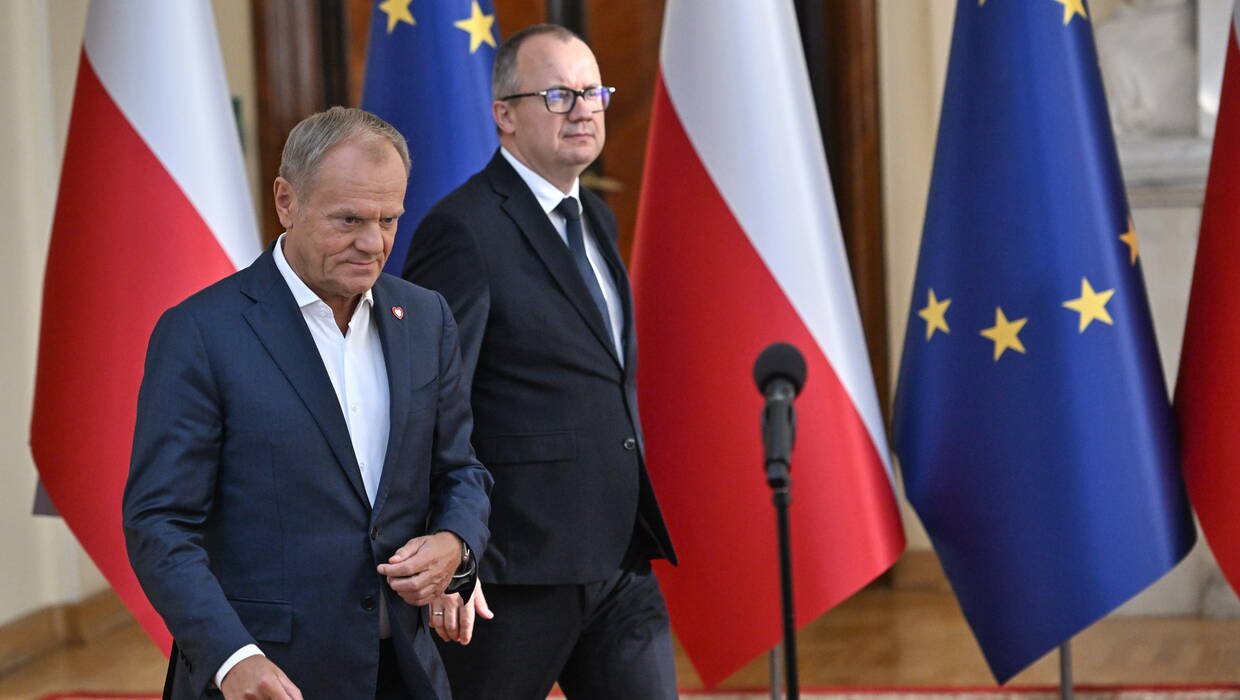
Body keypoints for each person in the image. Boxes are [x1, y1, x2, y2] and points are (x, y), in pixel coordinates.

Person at [123, 107, 492, 700]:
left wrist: (456, 542)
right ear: (286, 201)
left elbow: (460, 469)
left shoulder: (426, 317)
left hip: (405, 668)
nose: (372, 244)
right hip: (264, 675)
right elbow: (160, 523)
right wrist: (231, 656)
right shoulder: (201, 331)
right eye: (347, 220)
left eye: (389, 219)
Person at [404, 24, 677, 699]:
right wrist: (450, 550)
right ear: (505, 115)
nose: (583, 109)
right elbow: (432, 398)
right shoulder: (462, 229)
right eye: (558, 94)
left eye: (593, 92)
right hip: (514, 568)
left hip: (619, 554)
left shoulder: (600, 219)